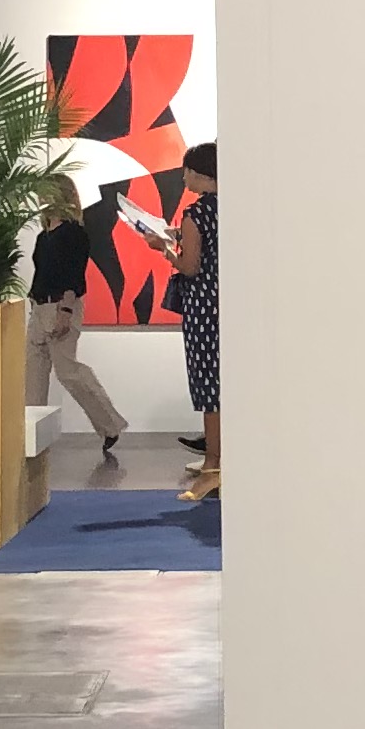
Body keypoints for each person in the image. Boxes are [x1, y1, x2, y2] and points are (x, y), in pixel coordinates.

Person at [26, 193, 127, 459]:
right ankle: (29, 436)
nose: (41, 198)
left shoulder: (73, 233)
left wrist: (66, 310)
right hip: (39, 306)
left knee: (67, 370)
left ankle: (110, 424)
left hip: (60, 305)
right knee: (33, 375)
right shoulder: (44, 236)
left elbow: (73, 274)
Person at [169, 143, 220, 503]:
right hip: (227, 303)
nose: (184, 177)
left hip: (202, 307)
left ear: (198, 172)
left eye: (186, 170)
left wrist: (164, 250)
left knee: (209, 389)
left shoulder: (196, 213)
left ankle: (213, 467)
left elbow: (190, 267)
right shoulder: (233, 207)